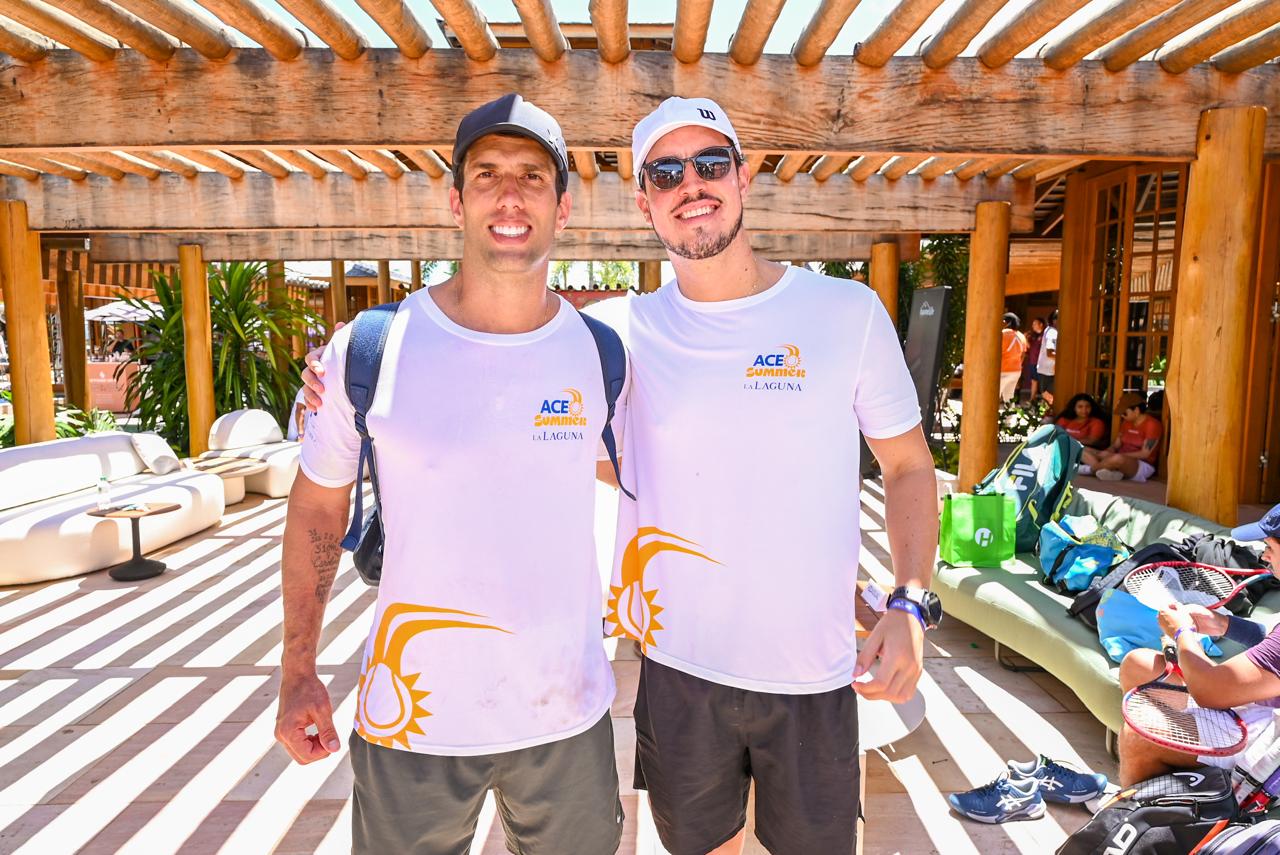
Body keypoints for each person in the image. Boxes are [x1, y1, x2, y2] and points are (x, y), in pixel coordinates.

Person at [301, 96, 941, 855]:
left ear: (744, 176)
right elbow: (530, 426)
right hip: (674, 671)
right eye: (666, 173)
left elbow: (905, 465)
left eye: (710, 163)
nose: (691, 184)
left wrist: (906, 598)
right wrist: (338, 379)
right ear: (644, 201)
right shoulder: (614, 334)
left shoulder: (840, 312)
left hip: (806, 672)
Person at [276, 94, 624, 854]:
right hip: (412, 717)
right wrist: (297, 667)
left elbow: (672, 475)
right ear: (455, 200)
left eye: (533, 176)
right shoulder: (371, 348)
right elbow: (317, 509)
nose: (510, 195)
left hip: (566, 716)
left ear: (563, 207)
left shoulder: (601, 354)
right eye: (487, 173)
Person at [1117, 503, 1280, 786]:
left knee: (1138, 737)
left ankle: (1133, 808)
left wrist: (1182, 632)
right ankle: (1171, 791)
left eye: (1270, 547)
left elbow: (1211, 692)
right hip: (1259, 708)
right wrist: (1223, 624)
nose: (1264, 555)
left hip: (1267, 744)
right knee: (1139, 664)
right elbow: (1271, 644)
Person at [1080, 392, 1162, 482]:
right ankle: (1107, 469)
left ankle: (1089, 470)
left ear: (1136, 410)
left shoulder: (1152, 424)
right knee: (1081, 449)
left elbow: (1144, 454)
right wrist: (1108, 451)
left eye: (1124, 413)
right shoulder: (1126, 422)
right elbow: (1116, 445)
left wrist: (1113, 456)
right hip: (1117, 457)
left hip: (1141, 464)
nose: (1122, 415)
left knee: (1117, 458)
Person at [999, 312, 1027, 403]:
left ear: (1004, 322)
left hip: (1002, 370)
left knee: (993, 396)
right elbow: (1023, 354)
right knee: (1009, 397)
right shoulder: (1021, 336)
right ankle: (1010, 412)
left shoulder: (1002, 334)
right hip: (1016, 370)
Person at [1036, 310, 1058, 406]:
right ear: (1054, 320)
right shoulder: (1052, 332)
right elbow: (1050, 353)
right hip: (1048, 371)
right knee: (1049, 399)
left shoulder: (1049, 330)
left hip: (1047, 370)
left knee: (1049, 400)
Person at [1024, 317, 1045, 399]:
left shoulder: (1044, 335)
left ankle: (1044, 401)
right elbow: (1030, 348)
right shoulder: (1033, 336)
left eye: (1035, 324)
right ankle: (1032, 399)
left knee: (1043, 383)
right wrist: (1026, 339)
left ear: (1041, 324)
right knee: (1034, 380)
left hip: (1041, 363)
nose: (1033, 326)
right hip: (1033, 362)